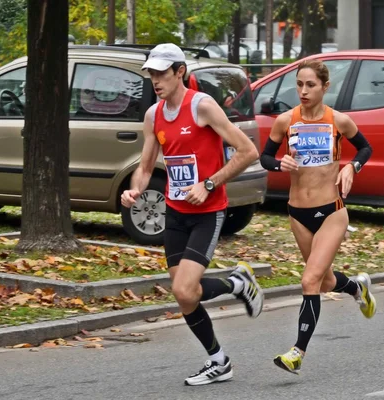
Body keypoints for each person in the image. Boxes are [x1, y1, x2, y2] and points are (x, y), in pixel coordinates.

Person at [121, 43, 264, 385]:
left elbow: (247, 151)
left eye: (161, 73)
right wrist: (135, 188)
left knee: (185, 290)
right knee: (185, 293)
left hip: (207, 212)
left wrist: (210, 184)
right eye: (151, 74)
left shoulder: (202, 106)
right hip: (175, 211)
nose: (155, 80)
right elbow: (144, 166)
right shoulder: (153, 115)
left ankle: (235, 290)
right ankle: (220, 357)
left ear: (179, 71)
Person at [260, 59, 377, 374]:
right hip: (297, 212)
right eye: (299, 84)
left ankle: (297, 352)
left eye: (310, 85)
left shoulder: (339, 121)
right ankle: (356, 288)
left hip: (331, 211)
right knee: (324, 279)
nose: (303, 91)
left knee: (310, 279)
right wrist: (278, 163)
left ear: (325, 87)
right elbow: (265, 156)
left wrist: (353, 166)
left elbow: (365, 149)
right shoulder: (285, 121)